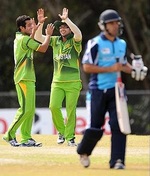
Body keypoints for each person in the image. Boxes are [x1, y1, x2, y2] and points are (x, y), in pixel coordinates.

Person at [77, 9, 147, 169]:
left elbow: (122, 64)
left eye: (117, 22)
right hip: (98, 90)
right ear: (104, 26)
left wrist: (136, 70)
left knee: (119, 125)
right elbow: (87, 66)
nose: (116, 26)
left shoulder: (121, 44)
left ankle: (117, 161)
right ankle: (84, 151)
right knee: (95, 126)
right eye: (112, 23)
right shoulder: (95, 43)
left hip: (117, 91)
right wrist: (110, 69)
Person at [3, 14, 54, 147]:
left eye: (32, 24)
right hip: (23, 77)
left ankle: (26, 138)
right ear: (21, 28)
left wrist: (36, 27)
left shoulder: (21, 37)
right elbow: (43, 48)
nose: (32, 27)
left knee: (30, 110)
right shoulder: (24, 40)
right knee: (25, 109)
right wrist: (48, 34)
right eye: (29, 25)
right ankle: (9, 135)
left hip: (28, 77)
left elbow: (30, 39)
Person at [34, 8, 82, 146]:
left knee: (70, 110)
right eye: (60, 27)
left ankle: (71, 138)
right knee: (53, 107)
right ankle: (62, 132)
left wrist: (66, 20)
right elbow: (38, 38)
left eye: (65, 27)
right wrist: (40, 23)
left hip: (73, 82)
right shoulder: (55, 41)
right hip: (57, 82)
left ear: (69, 28)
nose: (62, 29)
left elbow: (78, 33)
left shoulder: (75, 41)